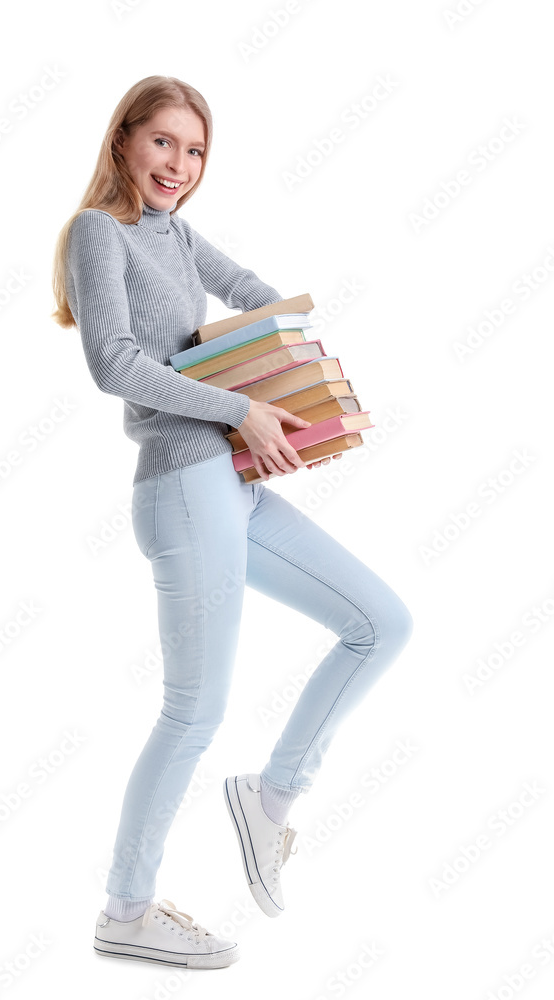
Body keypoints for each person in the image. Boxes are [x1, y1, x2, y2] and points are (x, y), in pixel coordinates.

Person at [51, 75, 413, 971]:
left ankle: (271, 796)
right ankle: (127, 909)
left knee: (380, 622)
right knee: (193, 711)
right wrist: (238, 407)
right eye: (164, 142)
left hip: (230, 482)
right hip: (182, 482)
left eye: (197, 150)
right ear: (123, 141)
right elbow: (115, 364)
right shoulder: (101, 233)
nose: (180, 164)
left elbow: (247, 288)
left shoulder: (173, 232)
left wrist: (283, 339)